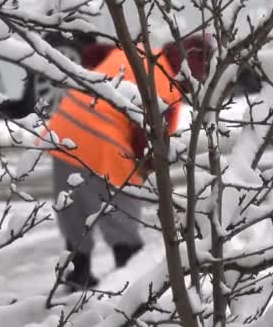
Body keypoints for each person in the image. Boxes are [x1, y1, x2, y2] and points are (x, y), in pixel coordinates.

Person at [48, 35, 212, 288]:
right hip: (104, 144)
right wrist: (150, 171)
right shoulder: (167, 89)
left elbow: (92, 53)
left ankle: (77, 275)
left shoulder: (141, 51)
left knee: (74, 211)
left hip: (64, 127)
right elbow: (148, 146)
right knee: (122, 219)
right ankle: (131, 287)